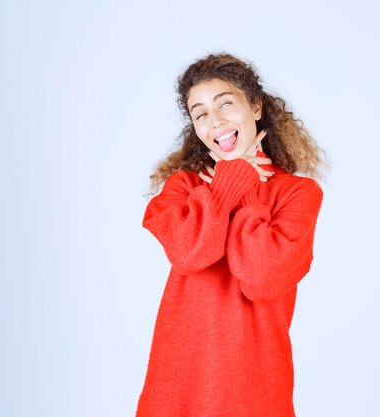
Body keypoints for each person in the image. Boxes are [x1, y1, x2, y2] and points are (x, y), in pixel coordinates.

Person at [136, 53, 327, 417]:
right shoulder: (183, 188)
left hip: (254, 390)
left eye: (225, 104)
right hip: (177, 388)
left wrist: (246, 184)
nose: (216, 121)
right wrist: (226, 186)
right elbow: (191, 254)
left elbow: (260, 277)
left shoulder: (297, 194)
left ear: (255, 106)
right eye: (201, 113)